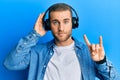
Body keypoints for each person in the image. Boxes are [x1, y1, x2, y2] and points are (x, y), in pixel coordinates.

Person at [3, 3, 120, 80]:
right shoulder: (37, 52)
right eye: (55, 22)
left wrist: (101, 62)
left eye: (66, 21)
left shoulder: (88, 53)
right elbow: (10, 64)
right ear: (48, 25)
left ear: (74, 23)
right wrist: (34, 34)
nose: (61, 28)